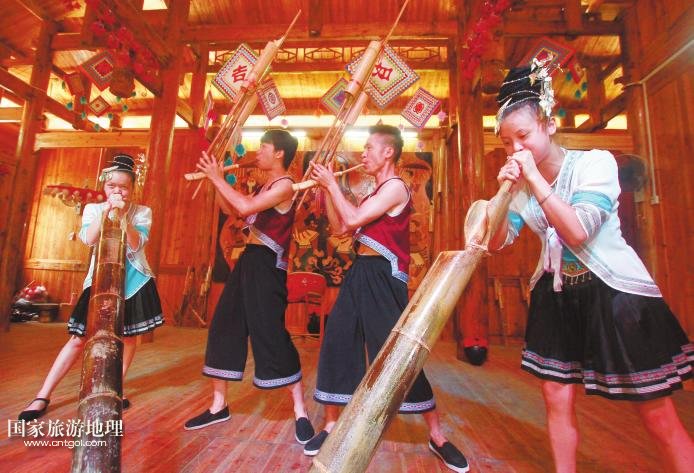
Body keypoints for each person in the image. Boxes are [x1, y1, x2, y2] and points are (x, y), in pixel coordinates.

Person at [487, 61, 694, 472]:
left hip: (614, 293)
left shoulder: (595, 163)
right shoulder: (522, 186)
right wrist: (502, 194)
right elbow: (494, 242)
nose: (515, 149)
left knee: (653, 409)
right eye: (508, 142)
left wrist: (533, 180)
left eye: (523, 136)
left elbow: (578, 231)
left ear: (549, 125)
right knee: (555, 396)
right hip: (557, 293)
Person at [304, 125, 469, 473]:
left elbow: (351, 218)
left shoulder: (395, 187)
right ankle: (331, 425)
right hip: (361, 271)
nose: (363, 154)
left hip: (383, 275)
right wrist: (326, 190)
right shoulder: (373, 193)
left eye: (369, 148)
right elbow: (342, 227)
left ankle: (437, 436)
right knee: (337, 341)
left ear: (388, 152)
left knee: (398, 355)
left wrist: (332, 184)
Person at [184, 129, 315, 445]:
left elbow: (244, 208)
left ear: (279, 153)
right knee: (223, 327)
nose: (258, 152)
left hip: (267, 266)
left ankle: (300, 411)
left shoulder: (285, 185)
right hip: (249, 260)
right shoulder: (265, 186)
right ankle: (218, 406)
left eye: (264, 147)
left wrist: (217, 177)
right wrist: (215, 181)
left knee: (271, 334)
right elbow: (233, 211)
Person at [18, 154, 164, 421]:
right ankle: (42, 395)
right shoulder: (93, 209)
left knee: (129, 338)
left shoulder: (143, 212)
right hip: (99, 279)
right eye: (111, 186)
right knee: (78, 339)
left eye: (124, 187)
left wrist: (123, 215)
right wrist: (107, 210)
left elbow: (136, 244)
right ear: (104, 186)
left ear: (133, 188)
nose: (117, 191)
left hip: (134, 280)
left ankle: (115, 389)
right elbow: (88, 239)